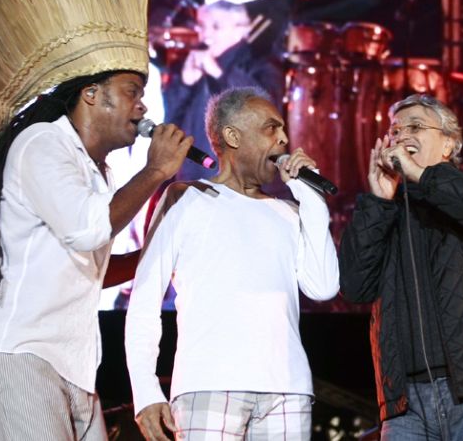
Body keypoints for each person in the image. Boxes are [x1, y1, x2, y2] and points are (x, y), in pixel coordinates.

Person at [0, 0, 193, 439]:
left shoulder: (90, 169)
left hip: (70, 365)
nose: (143, 107)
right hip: (20, 354)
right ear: (90, 94)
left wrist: (153, 258)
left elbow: (88, 262)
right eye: (131, 91)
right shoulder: (42, 144)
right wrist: (157, 171)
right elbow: (88, 230)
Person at [125, 86, 340, 441]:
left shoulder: (289, 211)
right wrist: (146, 392)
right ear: (232, 136)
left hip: (287, 390)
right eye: (272, 128)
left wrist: (310, 196)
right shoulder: (186, 197)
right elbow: (145, 302)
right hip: (208, 386)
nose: (285, 139)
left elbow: (324, 286)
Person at [338, 94, 463, 441]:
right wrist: (377, 204)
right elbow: (354, 286)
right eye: (395, 131)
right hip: (406, 405)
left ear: (448, 143)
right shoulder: (388, 214)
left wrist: (421, 176)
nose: (401, 136)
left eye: (415, 126)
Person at [163, 0, 284, 182]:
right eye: (203, 27)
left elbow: (263, 113)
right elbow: (170, 120)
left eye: (216, 27)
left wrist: (219, 73)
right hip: (192, 181)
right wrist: (185, 84)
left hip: (240, 187)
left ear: (241, 30)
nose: (206, 35)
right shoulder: (197, 64)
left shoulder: (262, 65)